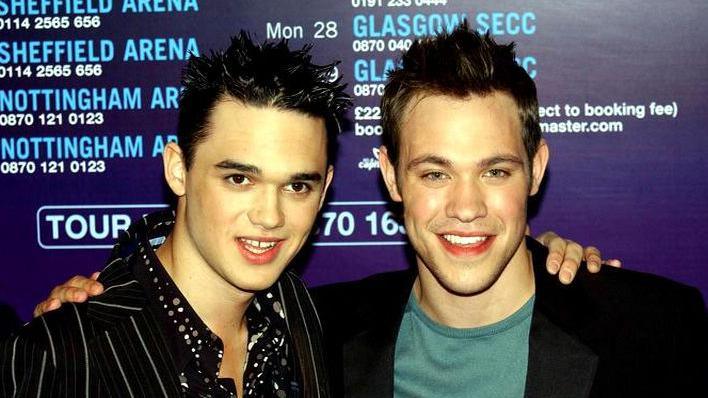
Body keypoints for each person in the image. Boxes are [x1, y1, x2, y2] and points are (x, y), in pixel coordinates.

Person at [21, 30, 618, 397]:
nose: (270, 216)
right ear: (177, 169)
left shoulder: (307, 322)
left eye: (496, 171)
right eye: (238, 177)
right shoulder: (66, 346)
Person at [311, 24, 708, 397]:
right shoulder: (315, 333)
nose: (466, 208)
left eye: (495, 171)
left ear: (535, 170)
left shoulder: (655, 330)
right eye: (435, 174)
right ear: (392, 177)